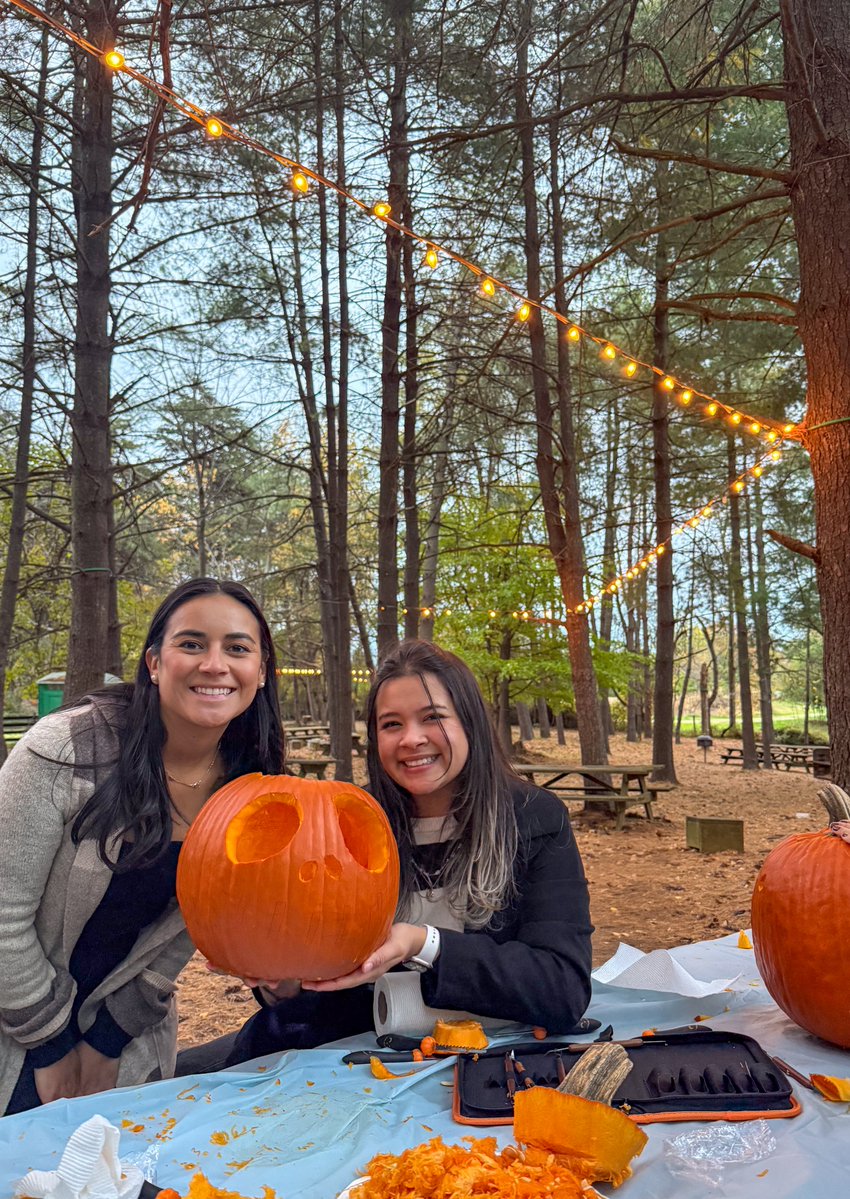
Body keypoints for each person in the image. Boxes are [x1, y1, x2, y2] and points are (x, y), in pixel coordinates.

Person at [200, 638, 592, 1068]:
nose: (411, 739)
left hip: (488, 1063)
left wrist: (422, 945)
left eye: (432, 718)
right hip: (352, 1061)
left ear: (470, 724)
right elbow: (323, 1011)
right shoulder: (348, 823)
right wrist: (286, 983)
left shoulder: (534, 819)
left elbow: (561, 989)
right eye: (391, 725)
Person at [0, 577, 283, 1116]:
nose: (214, 664)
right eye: (192, 643)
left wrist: (109, 1040)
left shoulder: (250, 785)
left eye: (238, 648)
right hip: (16, 1021)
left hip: (126, 1035)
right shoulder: (64, 751)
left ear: (261, 671)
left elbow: (183, 932)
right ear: (155, 662)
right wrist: (51, 1044)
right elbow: (2, 917)